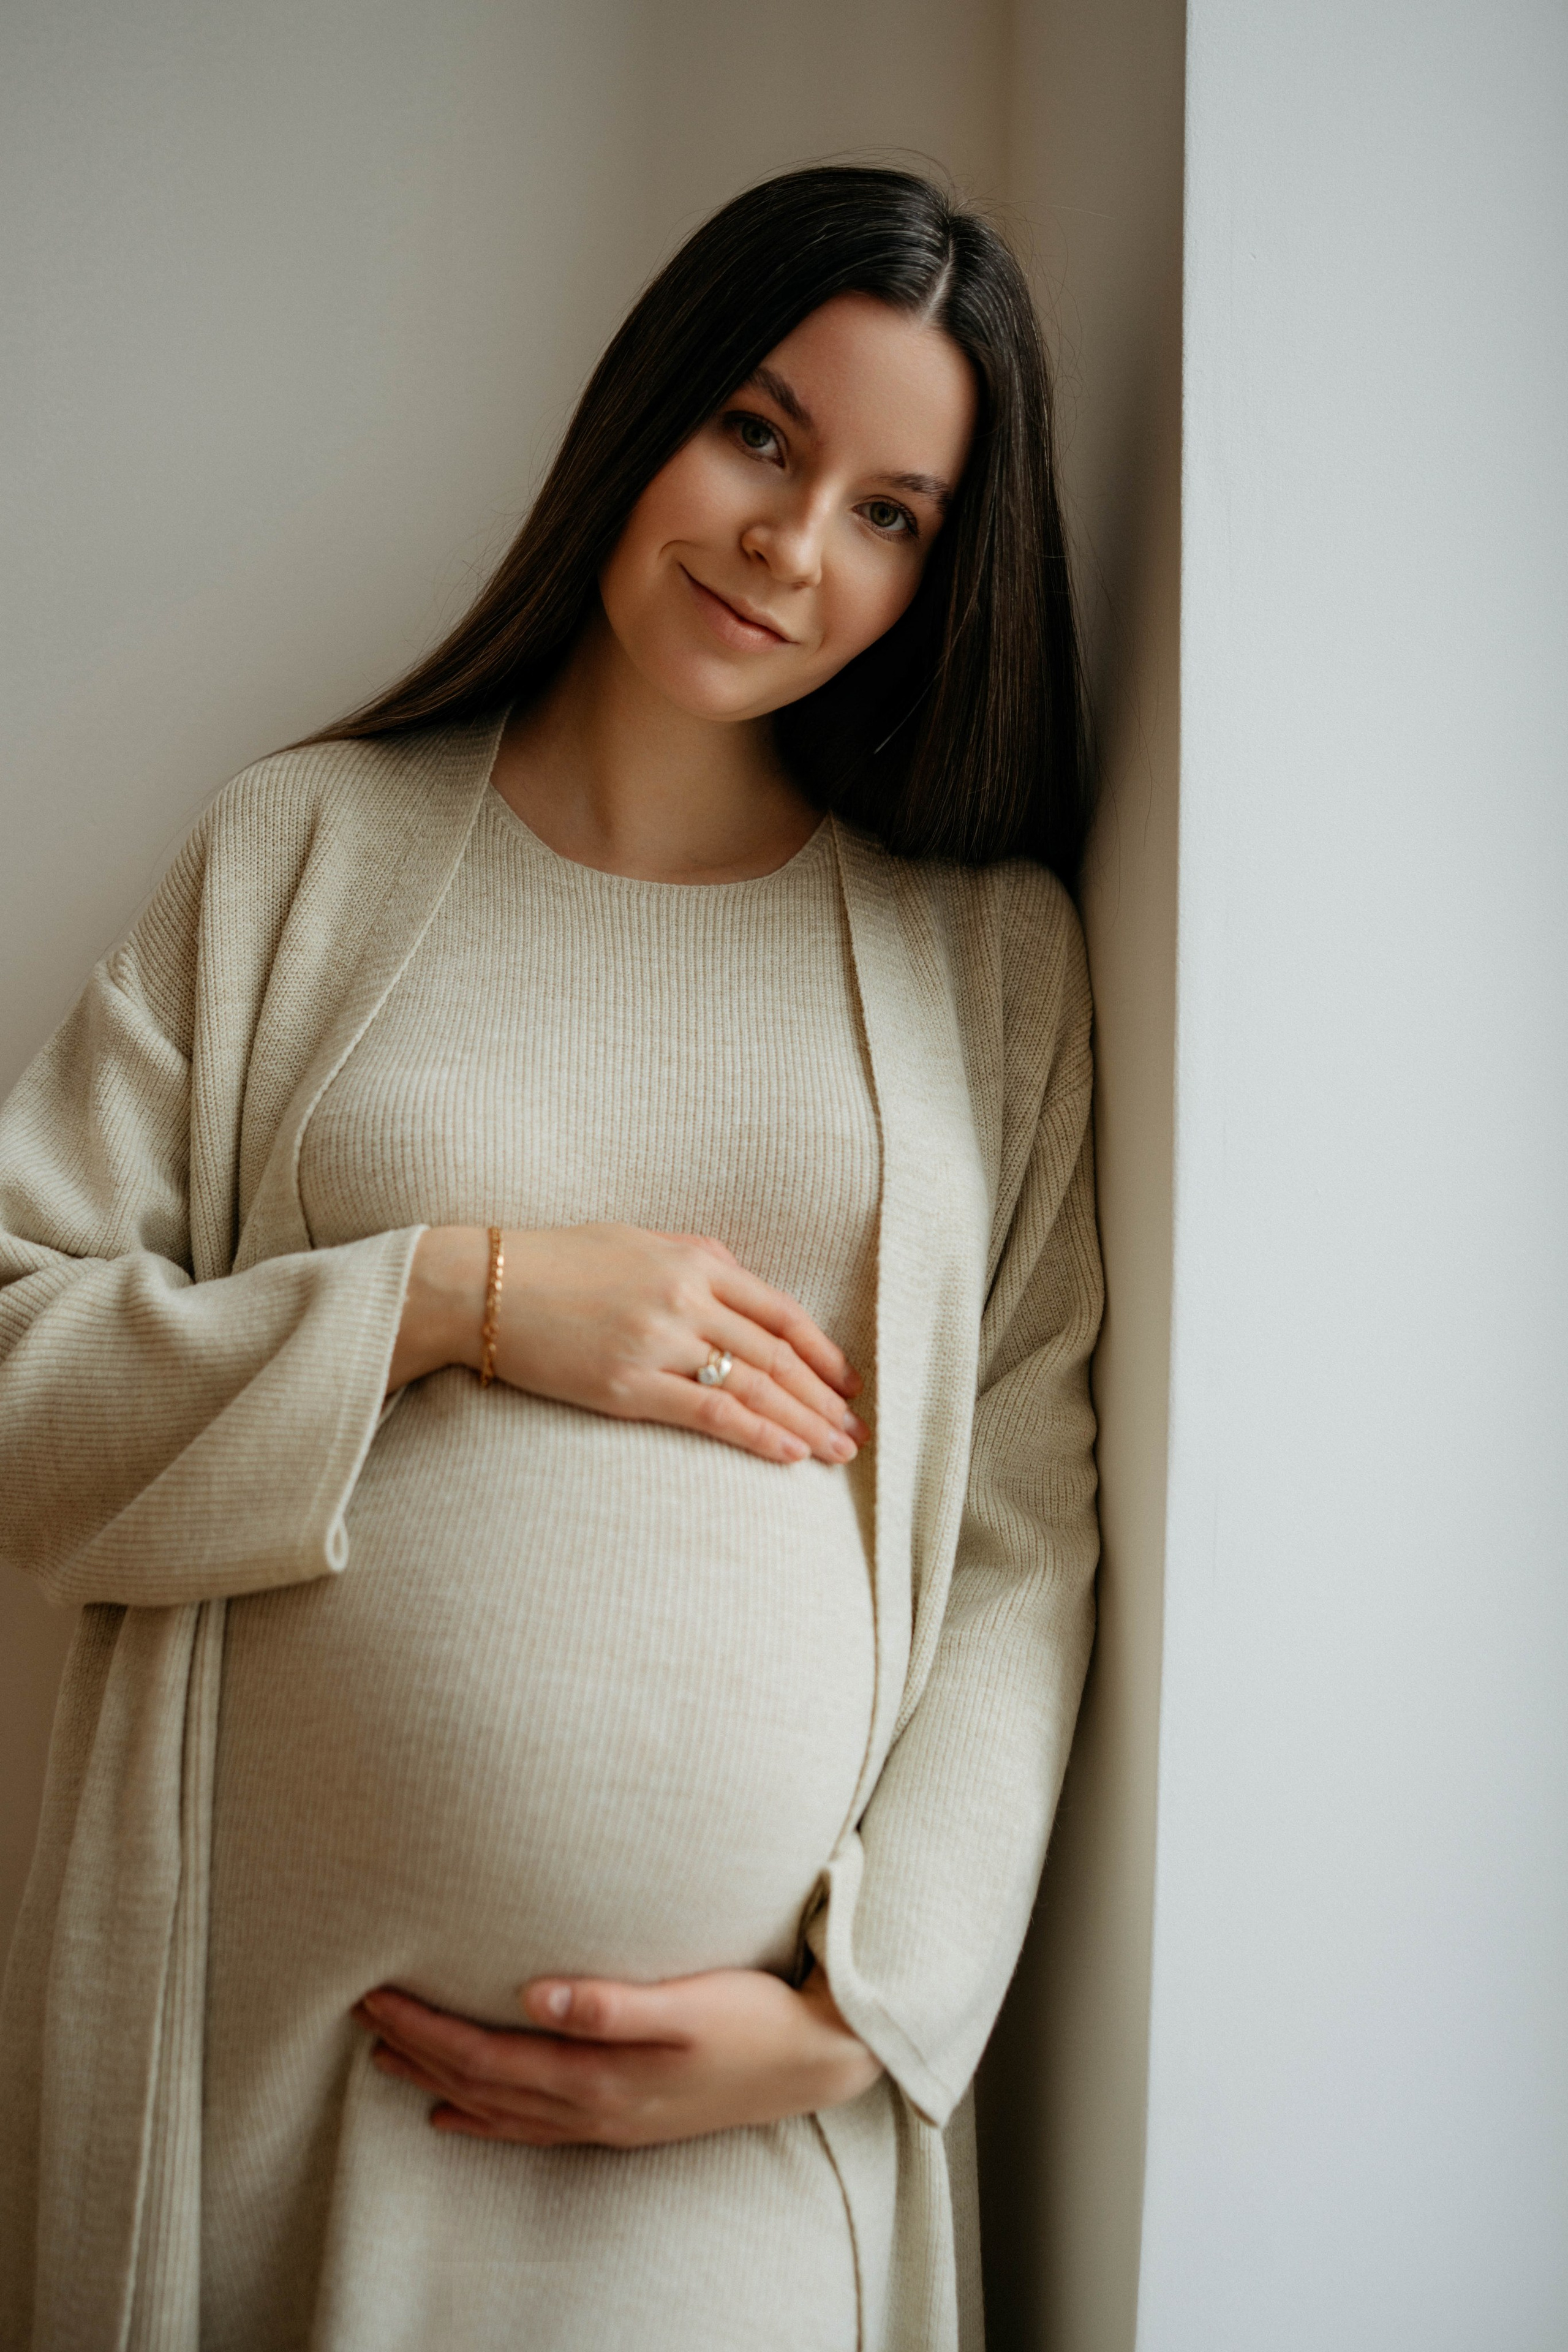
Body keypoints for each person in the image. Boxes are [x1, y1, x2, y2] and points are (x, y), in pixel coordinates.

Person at [0, 165, 1101, 2352]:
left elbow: (1023, 1535)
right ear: (648, 409)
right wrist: (458, 1296)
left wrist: (864, 2020)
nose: (795, 547)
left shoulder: (985, 958)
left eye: (895, 512)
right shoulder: (308, 852)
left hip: (738, 2154)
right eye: (765, 436)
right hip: (270, 2101)